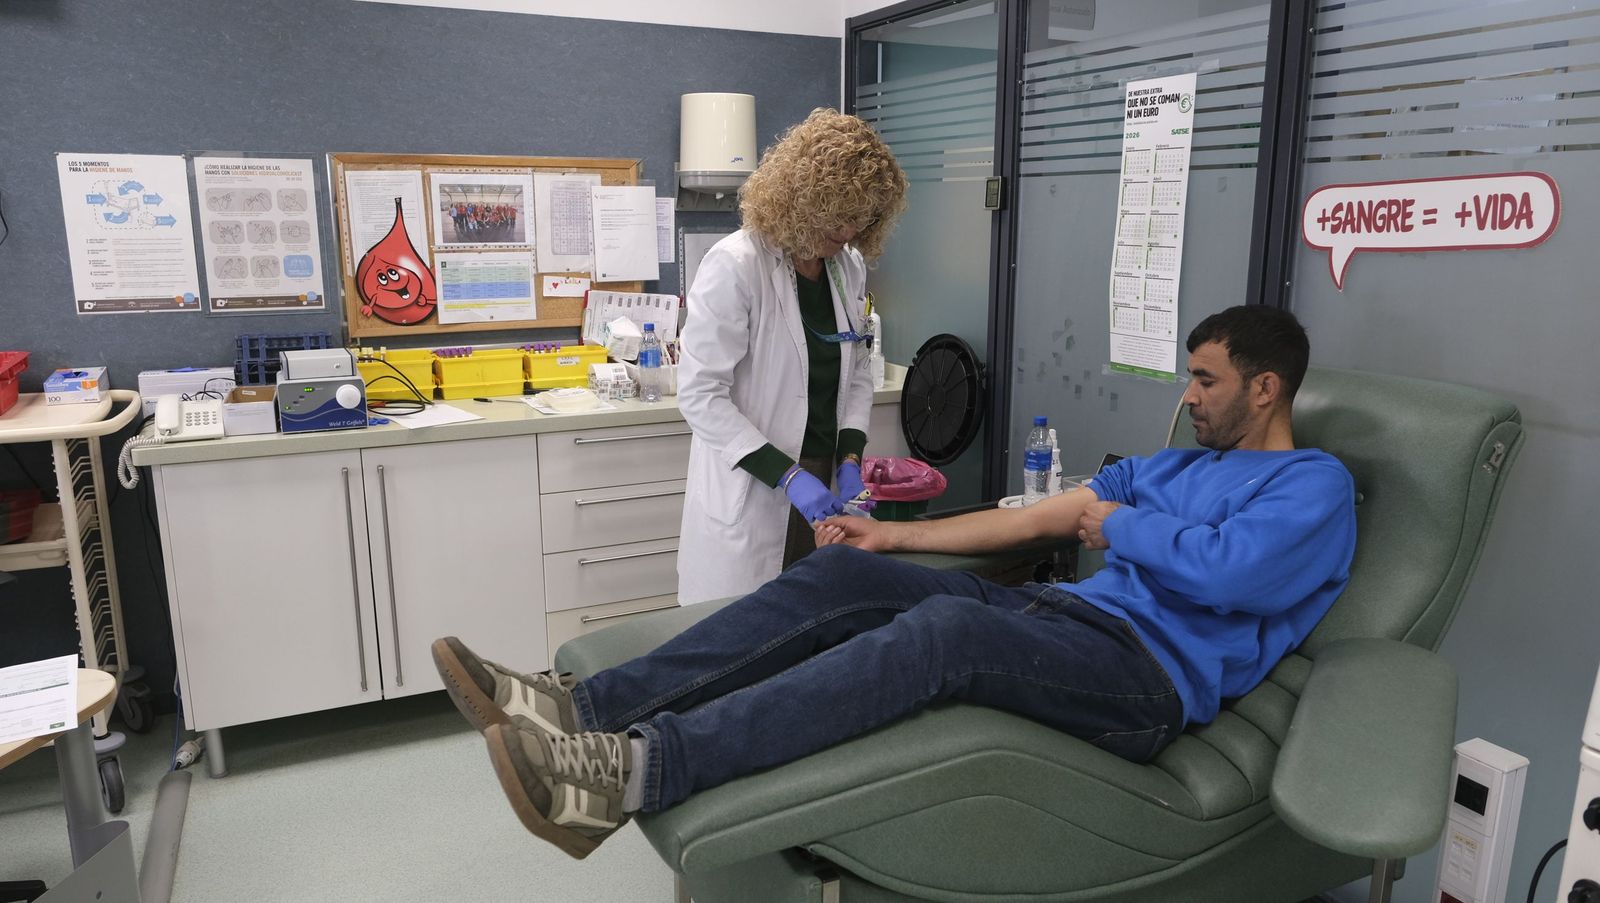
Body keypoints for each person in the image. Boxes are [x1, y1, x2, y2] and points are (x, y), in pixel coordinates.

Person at [431, 305, 1357, 861]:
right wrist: (894, 541)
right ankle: (582, 708)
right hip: (1061, 615)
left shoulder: (1313, 485)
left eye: (1205, 380)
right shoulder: (1176, 469)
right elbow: (1037, 518)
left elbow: (1231, 573)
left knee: (939, 642)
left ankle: (635, 773)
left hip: (1145, 680)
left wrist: (1117, 525)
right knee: (840, 573)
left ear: (1265, 388)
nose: (1189, 395)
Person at [674, 108, 909, 605]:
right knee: (744, 629)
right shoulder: (736, 265)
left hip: (825, 481)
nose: (848, 232)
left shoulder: (845, 268)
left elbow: (858, 371)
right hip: (759, 477)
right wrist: (788, 474)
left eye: (861, 219)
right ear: (803, 199)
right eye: (838, 215)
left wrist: (849, 459)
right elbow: (700, 396)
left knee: (817, 614)